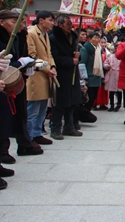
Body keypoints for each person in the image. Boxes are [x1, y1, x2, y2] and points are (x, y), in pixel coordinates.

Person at [0, 10, 39, 183]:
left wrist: (24, 65)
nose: (19, 24)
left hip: (7, 86)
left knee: (4, 123)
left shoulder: (14, 38)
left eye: (21, 21)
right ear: (2, 22)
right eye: (14, 21)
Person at [48, 15, 83, 140]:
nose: (70, 26)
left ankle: (69, 126)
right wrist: (70, 61)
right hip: (62, 74)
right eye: (67, 24)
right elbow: (55, 57)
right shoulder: (53, 38)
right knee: (60, 103)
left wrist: (77, 56)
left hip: (73, 73)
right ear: (60, 25)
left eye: (70, 23)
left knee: (73, 101)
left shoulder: (73, 36)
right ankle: (55, 128)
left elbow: (76, 55)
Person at [26, 10, 57, 146]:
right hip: (35, 75)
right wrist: (46, 69)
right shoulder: (31, 33)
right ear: (41, 20)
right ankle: (29, 137)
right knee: (33, 109)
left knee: (43, 108)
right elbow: (32, 56)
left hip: (46, 75)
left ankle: (37, 133)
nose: (52, 23)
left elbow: (48, 54)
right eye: (50, 20)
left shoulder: (45, 34)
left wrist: (53, 66)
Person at [79, 32, 103, 113]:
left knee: (94, 97)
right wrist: (84, 78)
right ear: (89, 39)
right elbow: (82, 64)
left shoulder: (99, 49)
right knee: (89, 97)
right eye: (95, 37)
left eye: (98, 38)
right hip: (89, 77)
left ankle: (86, 112)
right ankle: (85, 112)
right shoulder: (85, 49)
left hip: (97, 76)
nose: (97, 40)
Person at [104, 42, 122, 112]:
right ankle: (111, 104)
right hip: (111, 75)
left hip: (119, 75)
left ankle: (119, 104)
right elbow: (105, 63)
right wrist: (108, 66)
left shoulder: (123, 57)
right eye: (116, 48)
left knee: (119, 91)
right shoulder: (110, 57)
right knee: (111, 90)